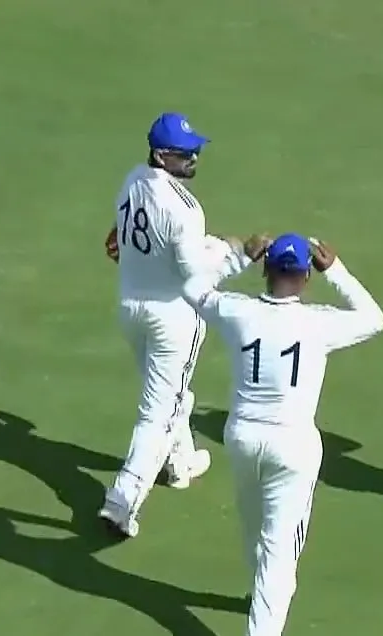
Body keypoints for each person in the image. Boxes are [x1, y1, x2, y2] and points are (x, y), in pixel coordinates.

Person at [181, 233, 383, 636]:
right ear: (306, 276)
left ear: (265, 270)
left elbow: (192, 288)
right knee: (279, 552)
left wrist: (239, 256)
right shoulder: (318, 321)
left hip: (242, 437)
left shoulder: (237, 310)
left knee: (254, 531)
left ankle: (262, 599)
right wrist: (338, 271)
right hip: (292, 446)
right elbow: (375, 318)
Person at [99, 112, 254, 538]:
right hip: (173, 319)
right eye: (186, 154)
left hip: (131, 307)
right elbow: (194, 275)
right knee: (158, 411)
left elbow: (122, 236)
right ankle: (122, 500)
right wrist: (237, 255)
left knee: (170, 395)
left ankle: (179, 461)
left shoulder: (132, 180)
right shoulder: (186, 209)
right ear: (162, 155)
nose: (194, 158)